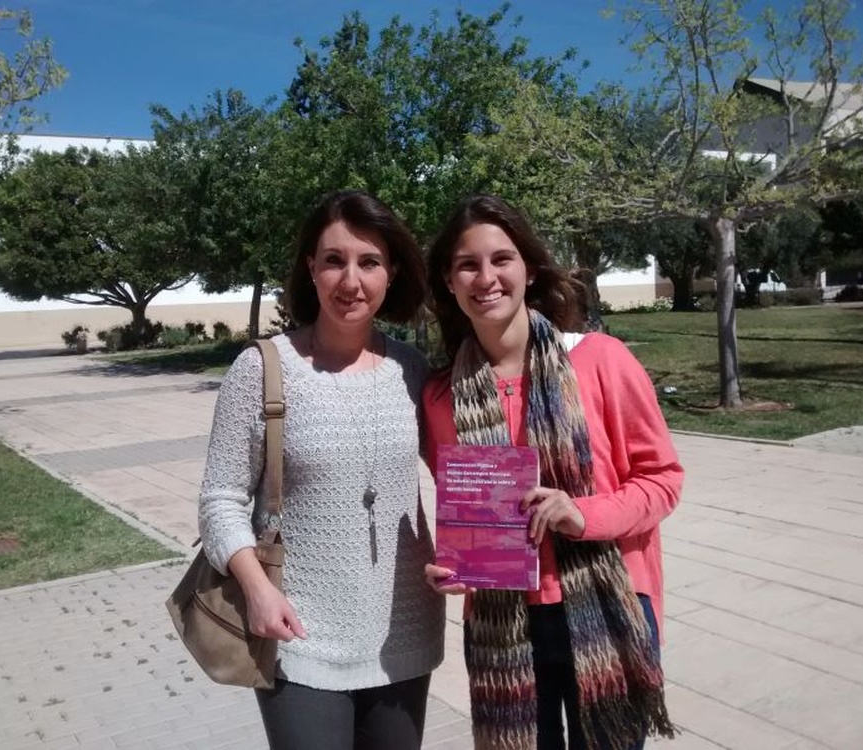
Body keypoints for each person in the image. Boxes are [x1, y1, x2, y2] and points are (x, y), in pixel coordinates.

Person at [422, 195, 682, 750]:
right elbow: (465, 509)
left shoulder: (601, 359)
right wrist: (458, 566)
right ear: (448, 280)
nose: (486, 278)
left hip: (607, 603)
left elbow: (662, 479)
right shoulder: (441, 397)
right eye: (467, 265)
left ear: (530, 269)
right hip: (503, 627)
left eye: (502, 259)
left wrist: (582, 513)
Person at [198, 190, 445, 750]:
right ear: (311, 269)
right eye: (334, 260)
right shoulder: (262, 369)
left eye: (369, 262)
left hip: (403, 632)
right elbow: (219, 500)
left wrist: (474, 547)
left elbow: (456, 473)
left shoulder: (411, 369)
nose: (350, 281)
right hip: (297, 633)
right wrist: (257, 590)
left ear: (391, 273)